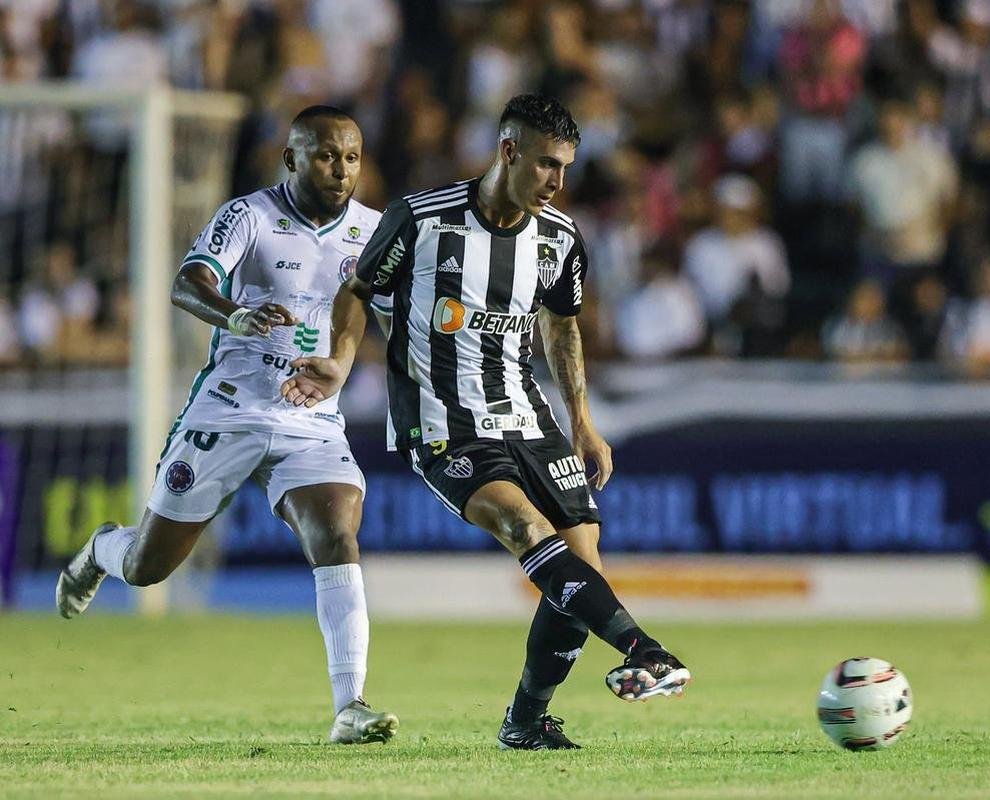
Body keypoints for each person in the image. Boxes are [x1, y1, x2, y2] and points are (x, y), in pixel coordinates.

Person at [281, 94, 692, 750]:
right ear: (507, 152)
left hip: (526, 414)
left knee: (582, 559)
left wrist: (581, 423)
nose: (557, 182)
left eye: (565, 168)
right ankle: (647, 649)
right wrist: (337, 362)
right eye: (546, 166)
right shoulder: (419, 219)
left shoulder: (559, 239)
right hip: (442, 419)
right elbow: (357, 293)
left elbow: (562, 325)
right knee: (521, 525)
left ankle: (525, 720)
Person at [55, 106, 399, 745]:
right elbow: (188, 283)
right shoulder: (250, 216)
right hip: (231, 407)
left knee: (337, 533)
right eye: (325, 155)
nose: (340, 169)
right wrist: (233, 316)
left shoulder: (374, 232)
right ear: (291, 158)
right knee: (148, 567)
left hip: (310, 414)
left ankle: (351, 705)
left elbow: (384, 313)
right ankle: (104, 547)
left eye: (351, 157)